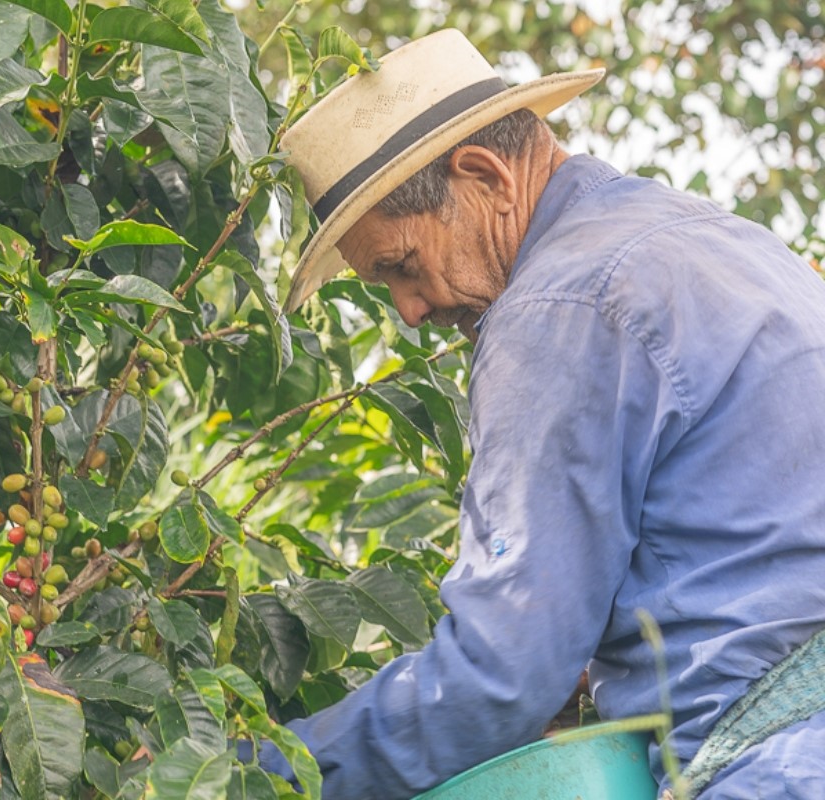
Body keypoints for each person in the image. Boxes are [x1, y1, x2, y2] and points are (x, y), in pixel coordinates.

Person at [250, 28, 825, 799]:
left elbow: (499, 673)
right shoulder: (719, 241)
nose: (411, 312)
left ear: (484, 175)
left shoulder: (563, 304)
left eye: (401, 267)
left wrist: (252, 774)